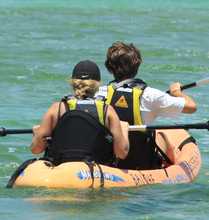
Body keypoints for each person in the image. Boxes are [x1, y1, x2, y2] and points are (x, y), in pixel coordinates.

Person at [99, 41, 197, 170]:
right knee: (159, 134)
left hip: (108, 163)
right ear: (137, 67)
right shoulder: (151, 95)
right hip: (140, 165)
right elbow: (191, 107)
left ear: (109, 68)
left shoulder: (98, 93)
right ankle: (173, 159)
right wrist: (175, 91)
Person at [30, 60, 130, 167]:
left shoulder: (56, 109)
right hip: (97, 167)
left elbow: (36, 149)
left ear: (73, 83)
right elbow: (122, 153)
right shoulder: (108, 111)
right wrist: (124, 130)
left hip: (62, 166)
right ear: (97, 85)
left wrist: (37, 134)